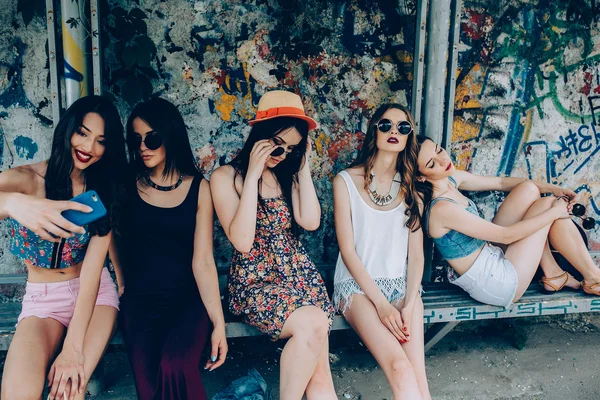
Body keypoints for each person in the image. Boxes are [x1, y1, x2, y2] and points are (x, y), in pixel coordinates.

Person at [210, 90, 336, 400]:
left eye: (292, 148)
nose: (282, 155)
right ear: (260, 137)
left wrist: (301, 165)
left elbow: (310, 221)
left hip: (301, 279)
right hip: (257, 284)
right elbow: (241, 241)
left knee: (320, 377)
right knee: (314, 323)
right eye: (277, 146)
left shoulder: (286, 176)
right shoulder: (226, 177)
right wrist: (253, 175)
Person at [0, 95, 127, 400]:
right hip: (43, 301)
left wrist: (73, 349)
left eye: (100, 141)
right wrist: (14, 202)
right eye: (83, 133)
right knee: (18, 394)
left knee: (68, 391)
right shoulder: (26, 180)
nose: (88, 148)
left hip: (94, 295)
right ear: (68, 129)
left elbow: (93, 274)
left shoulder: (101, 191)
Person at [115, 98, 227, 399]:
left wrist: (219, 324)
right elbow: (108, 233)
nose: (143, 146)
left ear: (170, 135)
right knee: (149, 390)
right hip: (140, 303)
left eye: (151, 138)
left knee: (175, 365)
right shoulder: (125, 183)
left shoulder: (199, 188)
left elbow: (203, 260)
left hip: (188, 301)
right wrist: (121, 280)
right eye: (135, 139)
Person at [414, 135, 600, 309]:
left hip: (490, 254)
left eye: (439, 151)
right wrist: (555, 212)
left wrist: (553, 188)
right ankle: (593, 277)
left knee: (527, 189)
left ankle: (554, 273)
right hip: (496, 283)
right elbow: (506, 235)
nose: (443, 161)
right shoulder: (441, 208)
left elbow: (501, 183)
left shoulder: (452, 180)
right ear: (420, 177)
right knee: (547, 206)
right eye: (432, 164)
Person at [333, 104, 431, 400]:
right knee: (399, 367)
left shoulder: (412, 188)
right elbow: (347, 251)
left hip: (402, 287)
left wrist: (410, 303)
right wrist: (382, 305)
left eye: (403, 128)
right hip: (356, 288)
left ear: (408, 137)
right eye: (386, 124)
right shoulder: (345, 181)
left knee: (418, 374)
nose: (394, 132)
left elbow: (416, 256)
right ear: (374, 128)